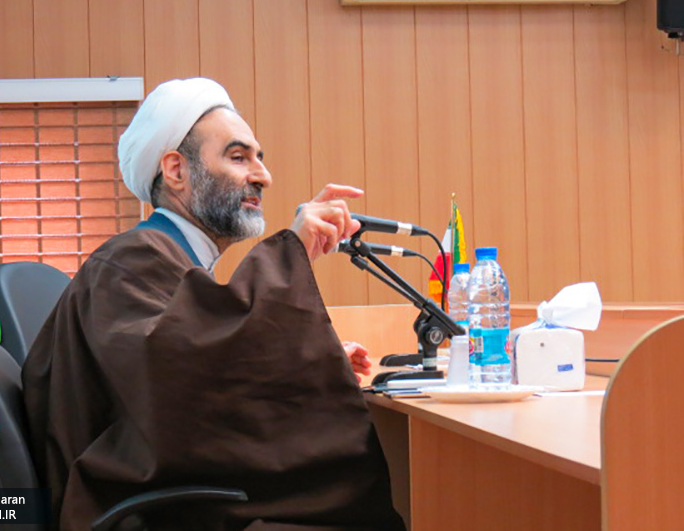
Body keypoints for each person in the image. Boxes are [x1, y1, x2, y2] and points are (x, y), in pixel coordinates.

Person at [22, 78, 405, 531]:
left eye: (259, 158)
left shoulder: (164, 259)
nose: (263, 176)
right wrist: (292, 249)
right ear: (176, 170)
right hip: (146, 514)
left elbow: (205, 361)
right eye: (239, 157)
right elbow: (180, 388)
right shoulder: (130, 260)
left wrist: (310, 359)